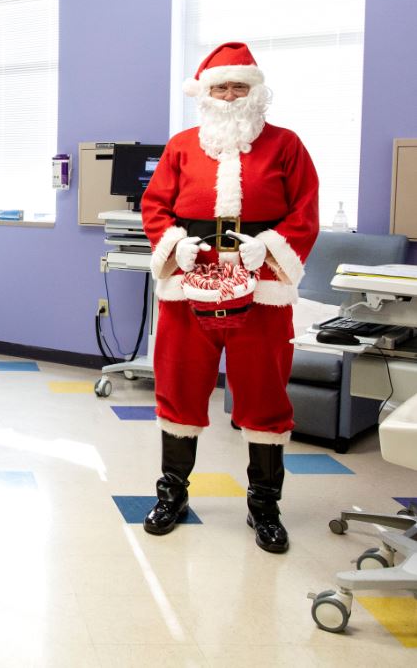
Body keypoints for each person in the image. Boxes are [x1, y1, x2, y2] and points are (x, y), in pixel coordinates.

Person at [139, 41, 320, 553]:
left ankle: (264, 507)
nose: (231, 93)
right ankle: (172, 495)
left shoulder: (286, 145)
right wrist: (178, 243)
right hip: (188, 282)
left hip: (261, 287)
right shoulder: (180, 146)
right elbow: (156, 207)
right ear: (206, 93)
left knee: (265, 394)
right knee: (178, 387)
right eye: (221, 86)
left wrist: (267, 247)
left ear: (255, 91)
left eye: (240, 85)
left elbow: (305, 210)